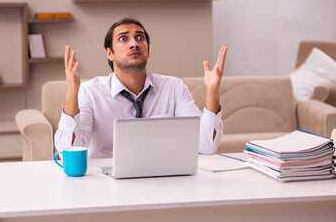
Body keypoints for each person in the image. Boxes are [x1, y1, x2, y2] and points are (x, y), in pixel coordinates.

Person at [55, 17, 227, 158]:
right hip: (106, 182)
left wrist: (212, 92)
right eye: (123, 38)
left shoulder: (173, 88)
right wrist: (72, 94)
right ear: (110, 53)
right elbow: (66, 151)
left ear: (148, 51)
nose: (134, 44)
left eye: (140, 38)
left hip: (162, 176)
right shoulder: (90, 92)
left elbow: (206, 146)